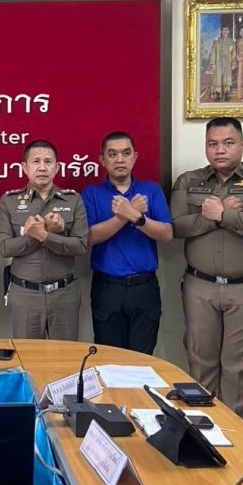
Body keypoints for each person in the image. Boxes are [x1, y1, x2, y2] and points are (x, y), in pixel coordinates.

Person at [170, 117, 243, 420]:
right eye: (213, 144)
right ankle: (203, 435)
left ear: (242, 145)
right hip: (200, 287)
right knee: (200, 364)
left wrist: (224, 216)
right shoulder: (188, 181)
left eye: (228, 143)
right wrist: (213, 217)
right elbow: (175, 227)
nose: (220, 150)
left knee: (239, 368)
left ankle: (235, 437)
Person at [82, 131, 172, 354]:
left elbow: (166, 234)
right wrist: (124, 216)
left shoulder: (151, 190)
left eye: (125, 153)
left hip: (144, 287)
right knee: (109, 358)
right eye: (112, 154)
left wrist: (137, 217)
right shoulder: (91, 193)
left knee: (142, 358)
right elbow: (89, 237)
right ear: (102, 160)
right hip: (107, 289)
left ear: (135, 157)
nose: (119, 160)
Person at [0, 140, 88, 340]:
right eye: (36, 161)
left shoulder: (73, 200)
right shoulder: (9, 202)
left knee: (65, 356)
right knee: (28, 356)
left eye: (48, 162)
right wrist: (40, 234)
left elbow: (81, 246)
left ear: (57, 167)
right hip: (25, 294)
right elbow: (4, 248)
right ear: (25, 167)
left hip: (64, 294)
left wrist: (45, 236)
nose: (42, 167)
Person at [206, 25, 235, 101]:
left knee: (226, 77)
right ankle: (218, 93)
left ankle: (226, 93)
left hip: (228, 62)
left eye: (226, 30)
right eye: (223, 30)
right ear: (221, 31)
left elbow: (233, 53)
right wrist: (213, 63)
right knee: (218, 77)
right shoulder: (217, 41)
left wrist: (233, 63)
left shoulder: (231, 42)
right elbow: (213, 52)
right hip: (218, 62)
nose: (225, 31)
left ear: (229, 31)